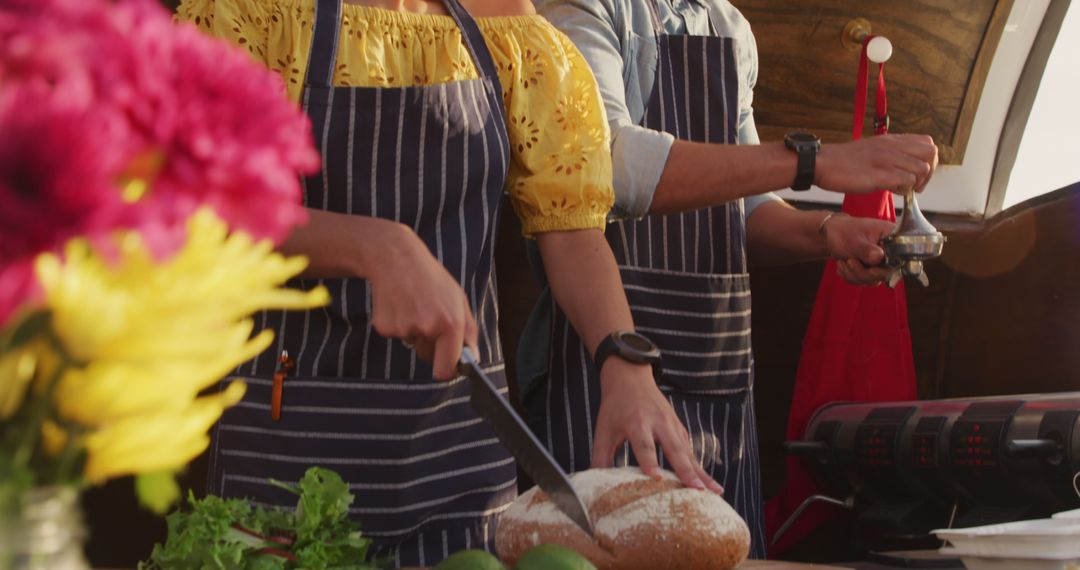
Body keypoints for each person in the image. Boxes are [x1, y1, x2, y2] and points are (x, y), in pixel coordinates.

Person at [176, 0, 717, 565]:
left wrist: (623, 360)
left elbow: (573, 230)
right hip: (286, 449)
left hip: (460, 459)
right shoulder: (250, 16)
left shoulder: (511, 32)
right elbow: (199, 205)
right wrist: (377, 247)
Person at [525, 0, 940, 558]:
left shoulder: (729, 27)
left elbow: (743, 208)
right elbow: (609, 164)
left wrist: (828, 232)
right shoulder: (582, 11)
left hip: (717, 375)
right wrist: (813, 163)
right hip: (602, 367)